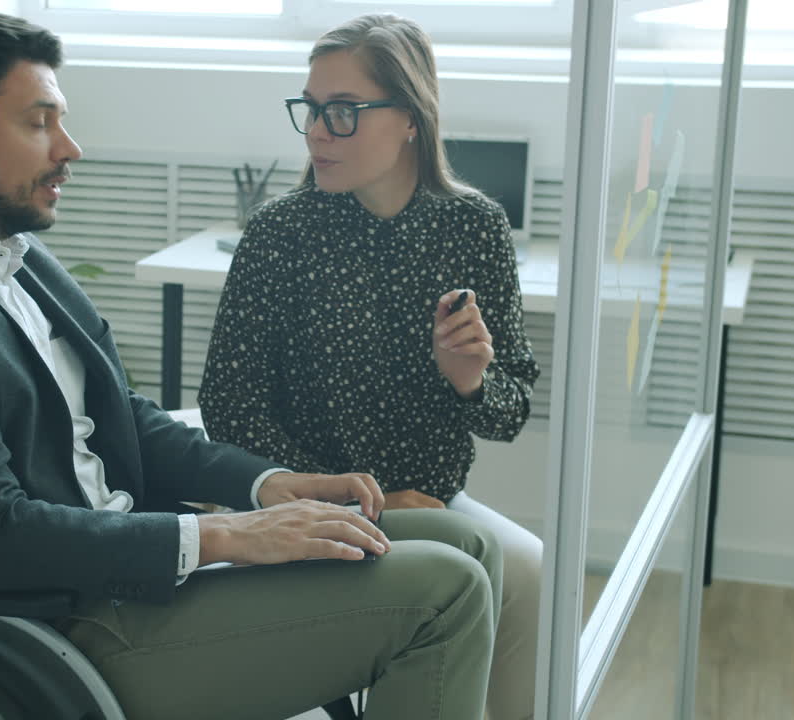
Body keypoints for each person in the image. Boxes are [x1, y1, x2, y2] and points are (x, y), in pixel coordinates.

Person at [0, 8, 505, 720]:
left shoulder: (16, 258)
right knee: (447, 591)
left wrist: (271, 486)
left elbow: (128, 423)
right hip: (59, 627)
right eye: (40, 123)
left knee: (465, 539)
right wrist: (226, 534)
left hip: (127, 568)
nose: (70, 147)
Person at [198, 13, 542, 720]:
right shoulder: (278, 234)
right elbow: (229, 409)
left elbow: (511, 412)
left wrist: (469, 378)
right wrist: (362, 498)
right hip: (308, 507)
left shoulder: (475, 227)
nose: (319, 132)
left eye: (344, 112)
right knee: (471, 570)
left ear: (411, 117)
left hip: (432, 502)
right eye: (312, 110)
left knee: (534, 572)